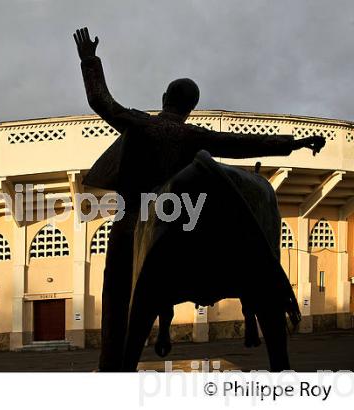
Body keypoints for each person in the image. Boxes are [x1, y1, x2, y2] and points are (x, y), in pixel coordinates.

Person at [74, 27, 325, 371]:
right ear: (190, 107)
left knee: (116, 286)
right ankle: (277, 358)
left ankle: (113, 364)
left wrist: (90, 60)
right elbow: (244, 145)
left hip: (137, 217)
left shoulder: (141, 124)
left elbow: (101, 101)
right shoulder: (195, 136)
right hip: (186, 217)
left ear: (165, 98)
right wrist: (293, 143)